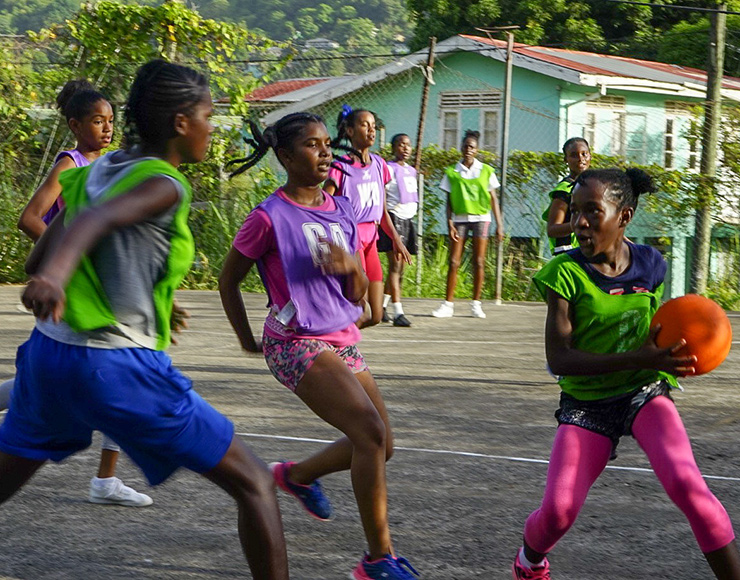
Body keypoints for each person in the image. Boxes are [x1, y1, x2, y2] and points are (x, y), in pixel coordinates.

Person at [0, 60, 289, 580]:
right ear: (181, 122)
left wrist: (137, 289)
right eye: (208, 114)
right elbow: (96, 221)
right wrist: (60, 278)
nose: (211, 125)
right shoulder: (165, 183)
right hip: (117, 368)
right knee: (257, 484)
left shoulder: (94, 172)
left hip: (49, 358)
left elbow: (37, 259)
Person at [511, 167, 740, 580]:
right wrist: (640, 357)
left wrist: (676, 352)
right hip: (586, 404)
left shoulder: (651, 265)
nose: (579, 223)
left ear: (625, 217)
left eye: (592, 212)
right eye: (577, 212)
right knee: (559, 513)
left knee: (690, 488)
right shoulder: (564, 274)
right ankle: (530, 561)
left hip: (643, 392)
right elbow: (560, 360)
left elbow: (664, 327)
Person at [219, 113, 420, 580]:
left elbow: (353, 298)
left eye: (327, 143)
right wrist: (247, 338)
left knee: (381, 444)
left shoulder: (343, 210)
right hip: (295, 341)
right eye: (312, 145)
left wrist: (352, 267)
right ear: (286, 157)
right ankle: (377, 560)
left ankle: (296, 475)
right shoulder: (269, 216)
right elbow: (228, 281)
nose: (325, 152)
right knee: (368, 431)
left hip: (340, 336)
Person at [7, 79, 152, 507]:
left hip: (100, 290)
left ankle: (106, 480)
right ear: (75, 125)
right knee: (105, 376)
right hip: (70, 290)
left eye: (110, 121)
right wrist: (67, 258)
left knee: (118, 371)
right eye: (96, 121)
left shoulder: (107, 163)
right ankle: (104, 481)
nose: (106, 129)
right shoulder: (70, 164)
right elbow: (30, 218)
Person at [324, 106, 411, 328]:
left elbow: (381, 211)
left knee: (375, 316)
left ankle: (331, 337)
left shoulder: (380, 165)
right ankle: (334, 347)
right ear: (350, 131)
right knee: (360, 309)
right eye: (365, 125)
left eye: (373, 126)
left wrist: (396, 239)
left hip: (371, 237)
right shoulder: (340, 165)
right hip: (351, 239)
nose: (371, 130)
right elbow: (324, 205)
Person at [432, 130, 504, 319]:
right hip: (459, 219)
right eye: (465, 147)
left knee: (479, 261)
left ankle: (476, 304)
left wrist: (500, 224)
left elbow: (493, 199)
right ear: (461, 148)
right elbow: (448, 201)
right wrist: (449, 222)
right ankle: (448, 304)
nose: (468, 150)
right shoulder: (452, 172)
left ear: (477, 149)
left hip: (481, 218)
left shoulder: (487, 171)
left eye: (471, 147)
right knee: (454, 261)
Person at [378, 133, 418, 327]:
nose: (406, 148)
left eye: (408, 144)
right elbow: (382, 196)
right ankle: (399, 312)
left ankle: (382, 307)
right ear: (394, 147)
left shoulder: (411, 170)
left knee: (400, 269)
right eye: (401, 144)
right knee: (395, 266)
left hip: (408, 219)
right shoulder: (388, 169)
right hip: (393, 218)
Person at [542, 137, 591, 255]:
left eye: (584, 154)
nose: (581, 158)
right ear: (566, 159)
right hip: (568, 252)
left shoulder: (592, 186)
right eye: (574, 155)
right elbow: (552, 229)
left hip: (587, 249)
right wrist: (579, 225)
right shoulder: (564, 190)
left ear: (590, 156)